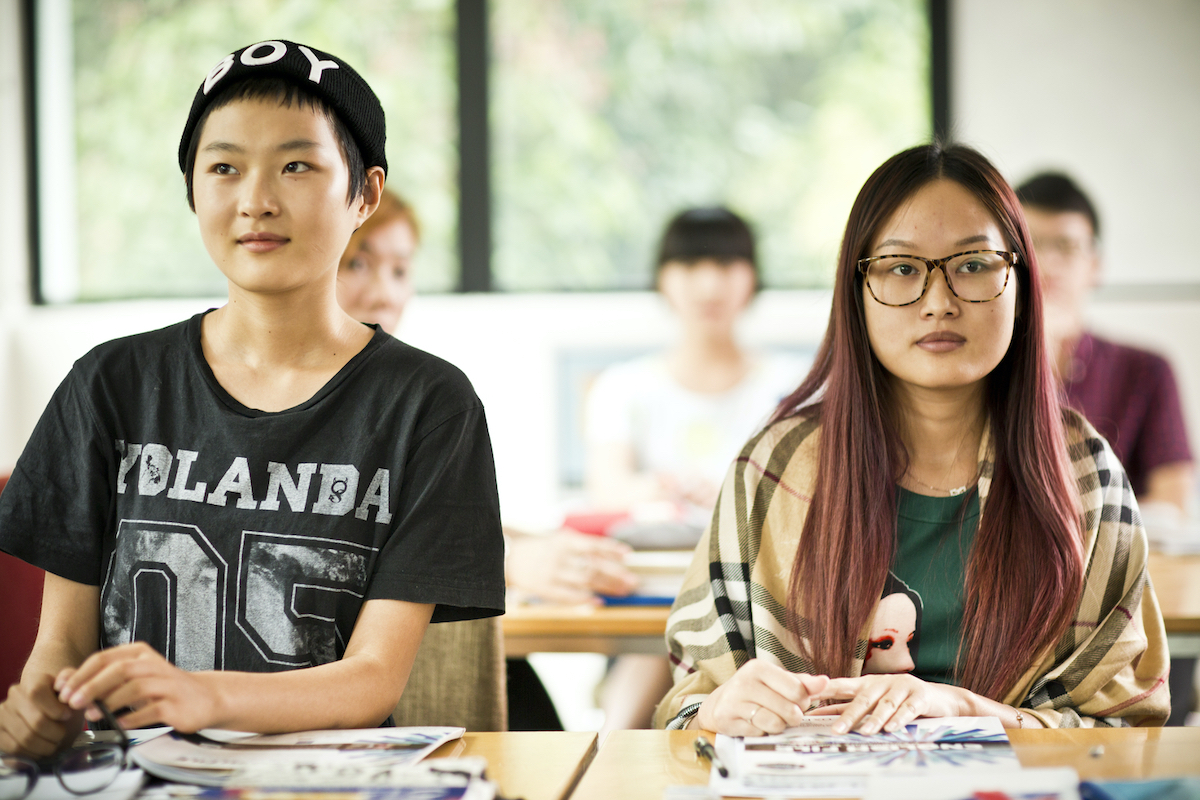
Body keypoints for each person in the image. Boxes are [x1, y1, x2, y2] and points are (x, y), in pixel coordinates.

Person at [0, 40, 504, 757]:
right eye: (224, 168)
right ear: (193, 190)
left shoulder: (428, 404)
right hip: (128, 776)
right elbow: (62, 644)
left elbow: (371, 680)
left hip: (322, 777)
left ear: (365, 194)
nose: (256, 201)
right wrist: (39, 706)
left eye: (296, 165)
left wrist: (203, 695)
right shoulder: (109, 383)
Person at [656, 143, 1170, 734]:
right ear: (857, 290)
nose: (939, 301)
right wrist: (718, 711)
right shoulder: (773, 468)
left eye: (973, 264)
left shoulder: (1085, 477)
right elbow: (685, 709)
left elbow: (1130, 733)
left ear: (1022, 286)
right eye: (902, 268)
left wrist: (971, 713)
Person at [333, 187, 634, 730]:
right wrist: (510, 562)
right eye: (358, 262)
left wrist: (528, 545)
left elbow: (427, 515)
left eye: (401, 270)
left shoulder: (409, 396)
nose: (384, 292)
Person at [585, 207, 807, 734]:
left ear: (752, 278)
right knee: (666, 634)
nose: (709, 284)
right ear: (663, 279)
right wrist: (660, 488)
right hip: (649, 585)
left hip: (759, 599)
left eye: (726, 265)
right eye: (690, 266)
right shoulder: (624, 387)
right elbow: (606, 493)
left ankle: (610, 751)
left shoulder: (791, 385)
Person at [1015, 172, 1194, 514]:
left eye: (1066, 246)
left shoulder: (1147, 370)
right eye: (1031, 245)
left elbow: (1173, 504)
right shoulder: (982, 368)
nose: (1048, 263)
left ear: (1095, 265)